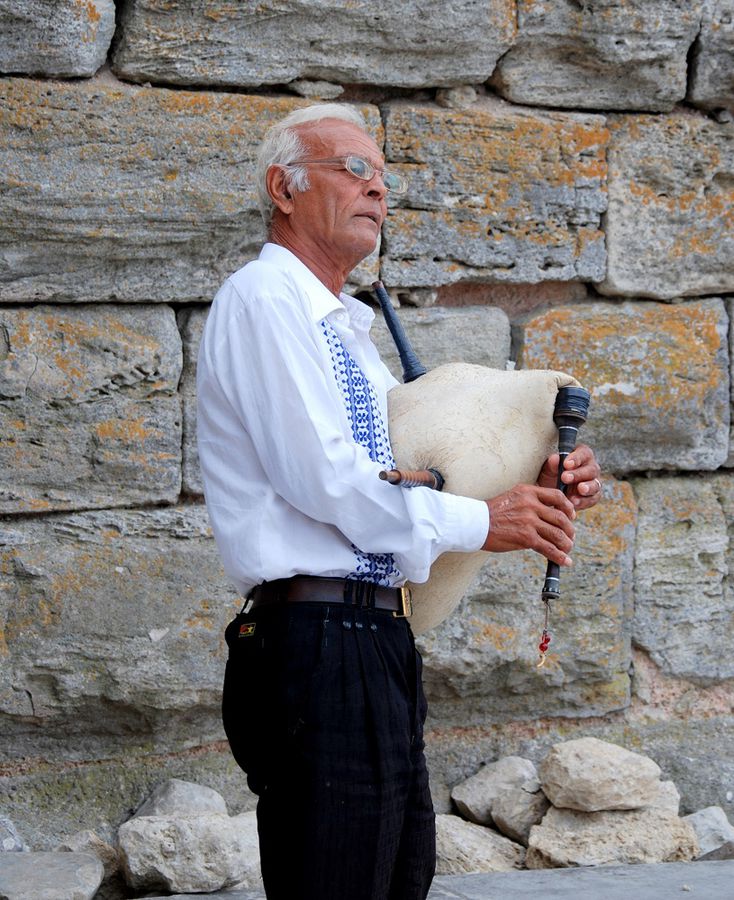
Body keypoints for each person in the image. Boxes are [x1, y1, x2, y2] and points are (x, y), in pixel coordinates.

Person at [196, 103, 602, 900]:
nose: (377, 188)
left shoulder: (340, 327)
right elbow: (331, 481)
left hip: (370, 639)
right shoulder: (265, 300)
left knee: (395, 881)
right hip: (316, 642)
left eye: (383, 176)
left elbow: (410, 473)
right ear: (285, 187)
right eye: (355, 170)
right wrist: (488, 521)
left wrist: (535, 484)